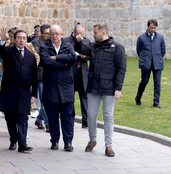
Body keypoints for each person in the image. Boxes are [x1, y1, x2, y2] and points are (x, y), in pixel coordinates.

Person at [75, 23, 126, 157]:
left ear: (103, 33)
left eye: (95, 32)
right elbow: (83, 51)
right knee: (91, 115)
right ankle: (92, 139)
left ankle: (109, 145)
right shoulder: (94, 46)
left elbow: (121, 69)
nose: (93, 35)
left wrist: (118, 88)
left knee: (108, 116)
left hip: (109, 88)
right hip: (93, 86)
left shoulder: (117, 48)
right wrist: (79, 42)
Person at [0, 28, 38, 153]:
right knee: (10, 118)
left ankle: (22, 143)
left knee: (23, 118)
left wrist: (34, 94)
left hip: (24, 92)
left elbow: (35, 77)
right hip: (10, 91)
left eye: (24, 38)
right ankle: (13, 139)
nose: (22, 40)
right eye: (19, 38)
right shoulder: (8, 51)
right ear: (14, 39)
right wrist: (2, 41)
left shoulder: (30, 56)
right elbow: (1, 51)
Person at [40, 25, 77, 151]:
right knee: (53, 117)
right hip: (51, 88)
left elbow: (73, 58)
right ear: (49, 35)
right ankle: (54, 141)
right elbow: (46, 62)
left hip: (66, 88)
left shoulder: (68, 46)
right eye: (52, 34)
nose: (54, 36)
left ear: (62, 34)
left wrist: (56, 58)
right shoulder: (44, 47)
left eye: (57, 33)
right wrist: (64, 64)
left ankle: (68, 142)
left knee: (67, 117)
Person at [5, 27, 40, 117]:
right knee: (11, 116)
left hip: (25, 83)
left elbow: (36, 58)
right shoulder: (8, 49)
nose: (10, 38)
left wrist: (27, 67)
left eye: (11, 36)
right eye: (9, 37)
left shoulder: (28, 47)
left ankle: (33, 109)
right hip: (11, 84)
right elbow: (2, 56)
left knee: (23, 116)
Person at [135, 19, 166, 108]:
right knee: (144, 82)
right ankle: (138, 98)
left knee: (157, 83)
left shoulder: (160, 37)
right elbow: (138, 50)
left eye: (154, 28)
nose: (152, 30)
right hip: (146, 63)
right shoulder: (141, 38)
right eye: (151, 28)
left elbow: (163, 50)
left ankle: (156, 102)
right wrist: (145, 58)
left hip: (157, 63)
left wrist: (157, 58)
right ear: (147, 27)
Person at [64, 23, 89, 128]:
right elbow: (63, 55)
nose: (80, 36)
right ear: (74, 32)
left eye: (82, 34)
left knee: (84, 96)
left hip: (82, 72)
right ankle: (71, 118)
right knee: (70, 97)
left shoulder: (86, 41)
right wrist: (74, 54)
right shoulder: (66, 41)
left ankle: (86, 120)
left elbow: (90, 56)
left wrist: (83, 56)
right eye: (78, 34)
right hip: (70, 72)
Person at [32, 24, 51, 132]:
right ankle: (47, 123)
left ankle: (39, 119)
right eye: (46, 33)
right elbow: (41, 57)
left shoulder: (51, 42)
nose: (48, 35)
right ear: (41, 33)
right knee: (45, 100)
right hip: (41, 75)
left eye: (50, 33)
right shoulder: (36, 43)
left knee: (47, 99)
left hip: (51, 74)